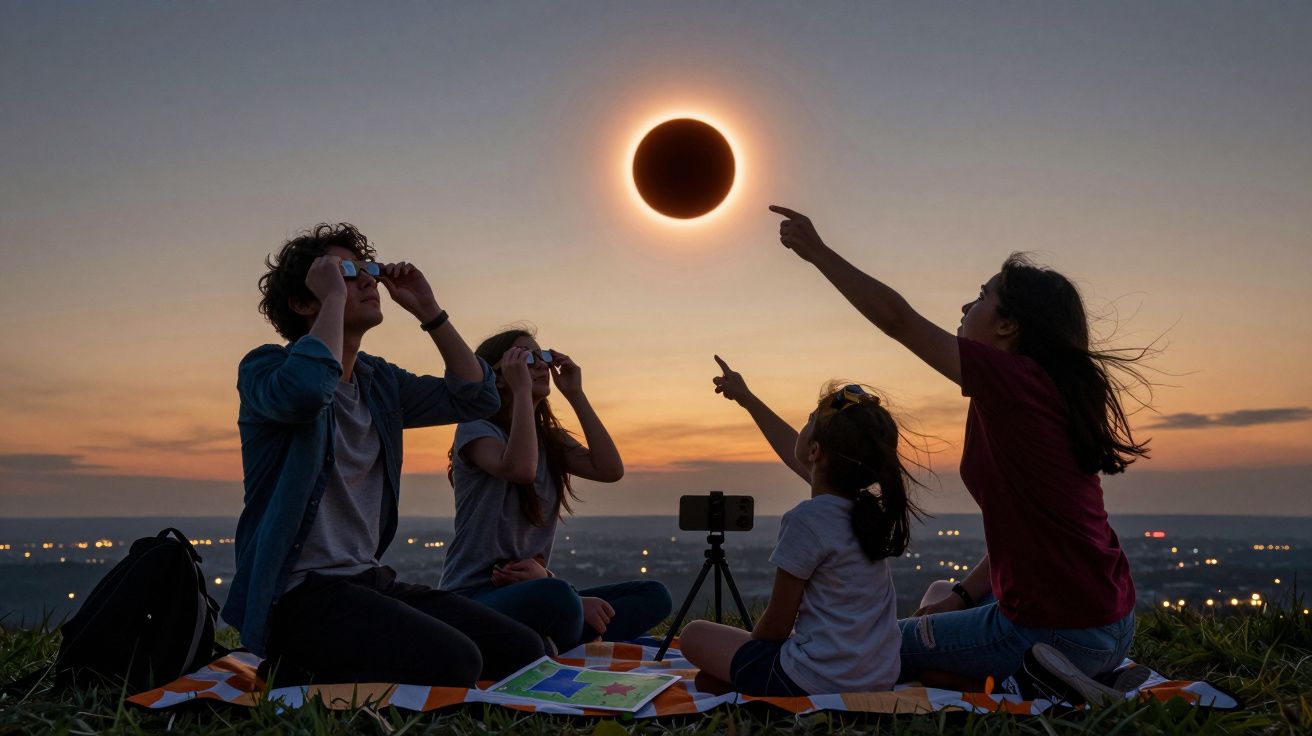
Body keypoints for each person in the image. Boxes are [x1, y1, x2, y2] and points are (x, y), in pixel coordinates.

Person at [767, 204, 1144, 687]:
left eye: (982, 297)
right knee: (940, 591)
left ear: (1008, 326)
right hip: (1108, 621)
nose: (966, 308)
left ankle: (1039, 681)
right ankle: (1059, 677)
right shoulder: (1043, 392)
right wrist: (964, 597)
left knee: (874, 649)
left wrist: (818, 253)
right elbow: (1026, 529)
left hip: (1059, 630)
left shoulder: (1014, 380)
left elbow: (899, 321)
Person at [222, 223, 544, 687]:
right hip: (298, 597)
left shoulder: (379, 383)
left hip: (366, 580)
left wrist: (429, 311)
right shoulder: (265, 369)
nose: (368, 280)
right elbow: (310, 391)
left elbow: (479, 399)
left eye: (367, 269)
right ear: (303, 300)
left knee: (521, 650)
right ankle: (294, 668)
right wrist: (334, 300)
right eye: (345, 272)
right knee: (458, 663)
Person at [680, 370, 918, 696]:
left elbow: (775, 627)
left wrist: (751, 655)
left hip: (818, 680)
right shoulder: (862, 511)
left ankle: (754, 683)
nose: (801, 427)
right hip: (876, 679)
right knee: (708, 680)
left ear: (816, 451)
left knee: (694, 635)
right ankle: (744, 682)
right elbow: (798, 451)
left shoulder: (808, 518)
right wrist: (747, 399)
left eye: (808, 420)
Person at [442, 328, 672, 652]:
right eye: (527, 358)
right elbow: (520, 469)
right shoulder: (476, 431)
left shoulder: (549, 440)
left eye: (544, 357)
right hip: (473, 600)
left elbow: (610, 470)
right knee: (559, 597)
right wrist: (523, 393)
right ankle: (553, 638)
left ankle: (546, 641)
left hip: (537, 591)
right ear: (499, 375)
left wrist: (575, 394)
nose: (541, 366)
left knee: (653, 595)